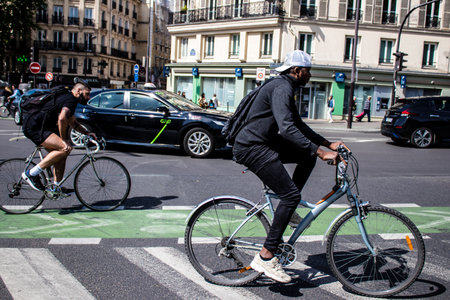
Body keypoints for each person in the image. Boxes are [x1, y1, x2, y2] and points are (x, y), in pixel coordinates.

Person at [232, 50, 349, 283]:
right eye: (308, 70)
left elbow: (297, 125)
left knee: (308, 156)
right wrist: (322, 151)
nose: (310, 75)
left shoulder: (286, 87)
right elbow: (287, 128)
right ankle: (265, 257)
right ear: (297, 71)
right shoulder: (282, 87)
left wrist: (326, 144)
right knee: (290, 194)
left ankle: (289, 207)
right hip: (252, 147)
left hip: (264, 143)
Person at [21, 80, 97, 192]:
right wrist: (64, 139)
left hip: (40, 126)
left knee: (62, 154)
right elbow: (62, 118)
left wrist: (86, 133)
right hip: (35, 127)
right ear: (78, 91)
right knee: (64, 148)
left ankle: (56, 187)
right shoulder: (70, 100)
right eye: (87, 94)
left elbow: (73, 123)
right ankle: (31, 174)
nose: (88, 97)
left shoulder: (68, 99)